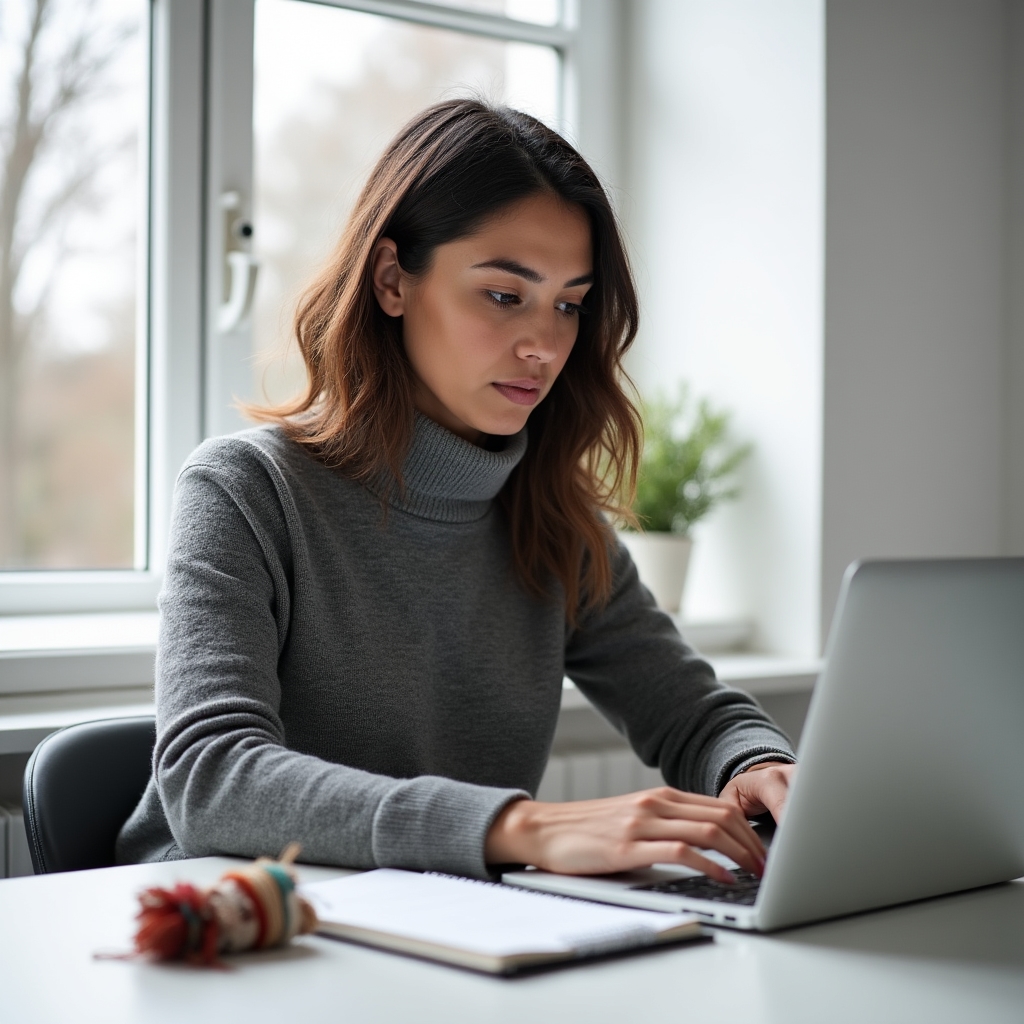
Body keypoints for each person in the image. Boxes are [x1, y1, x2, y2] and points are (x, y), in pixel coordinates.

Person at [117, 99, 795, 884]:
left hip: (450, 935)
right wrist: (519, 826)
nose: (544, 345)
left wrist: (758, 766)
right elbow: (212, 780)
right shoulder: (245, 491)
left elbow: (689, 712)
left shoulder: (552, 518)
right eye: (505, 295)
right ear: (392, 281)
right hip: (237, 932)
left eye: (569, 304)